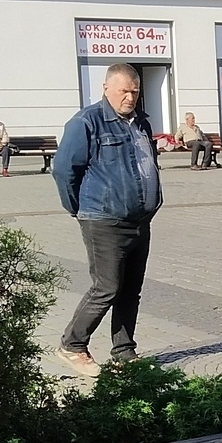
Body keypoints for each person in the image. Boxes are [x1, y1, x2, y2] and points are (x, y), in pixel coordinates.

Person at [51, 63, 162, 377]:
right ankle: (72, 345)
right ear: (106, 88)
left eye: (135, 92)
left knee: (130, 290)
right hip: (103, 219)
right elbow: (63, 170)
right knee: (107, 287)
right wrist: (80, 208)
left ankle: (124, 352)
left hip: (140, 220)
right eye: (123, 91)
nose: (130, 97)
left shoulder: (141, 123)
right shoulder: (87, 122)